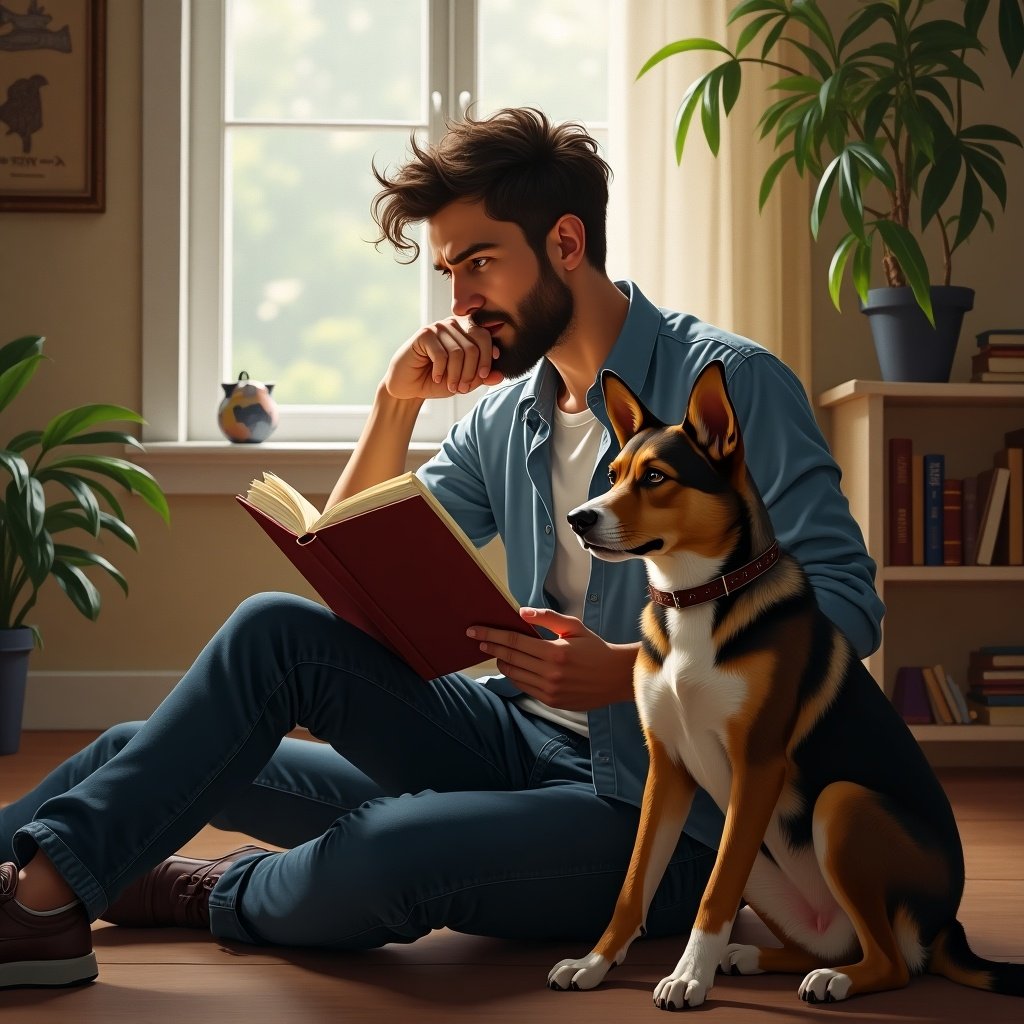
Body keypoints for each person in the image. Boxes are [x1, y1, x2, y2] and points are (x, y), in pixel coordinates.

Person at [0, 107, 884, 989]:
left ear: (566, 244)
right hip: (509, 736)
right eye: (449, 270)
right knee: (239, 661)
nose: (460, 300)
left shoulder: (729, 383)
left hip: (661, 807)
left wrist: (631, 672)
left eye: (480, 263)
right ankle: (34, 895)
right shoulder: (506, 415)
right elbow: (349, 566)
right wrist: (396, 402)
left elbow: (846, 601)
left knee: (379, 854)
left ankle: (171, 891)